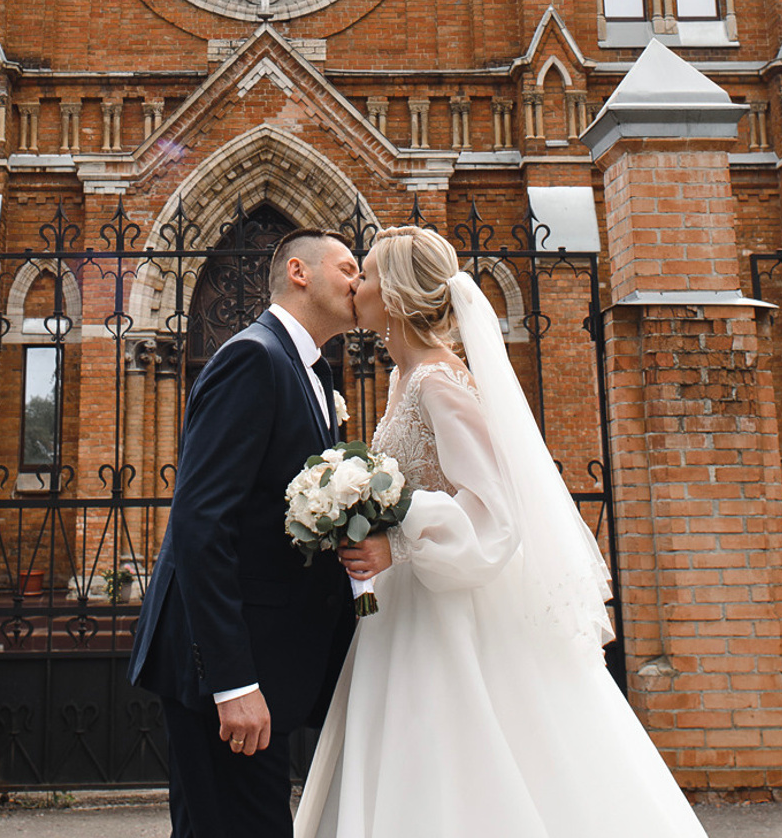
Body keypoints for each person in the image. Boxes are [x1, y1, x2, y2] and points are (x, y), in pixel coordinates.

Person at [299, 226, 708, 838]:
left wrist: (399, 539)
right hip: (407, 608)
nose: (359, 284)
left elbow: (495, 513)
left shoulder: (439, 383)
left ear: (401, 295)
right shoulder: (400, 381)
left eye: (371, 274)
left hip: (449, 608)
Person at [129, 229, 361, 838]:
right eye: (347, 267)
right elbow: (202, 522)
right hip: (227, 670)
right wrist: (232, 683)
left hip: (269, 659)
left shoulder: (310, 370)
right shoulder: (253, 357)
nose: (358, 281)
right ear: (300, 272)